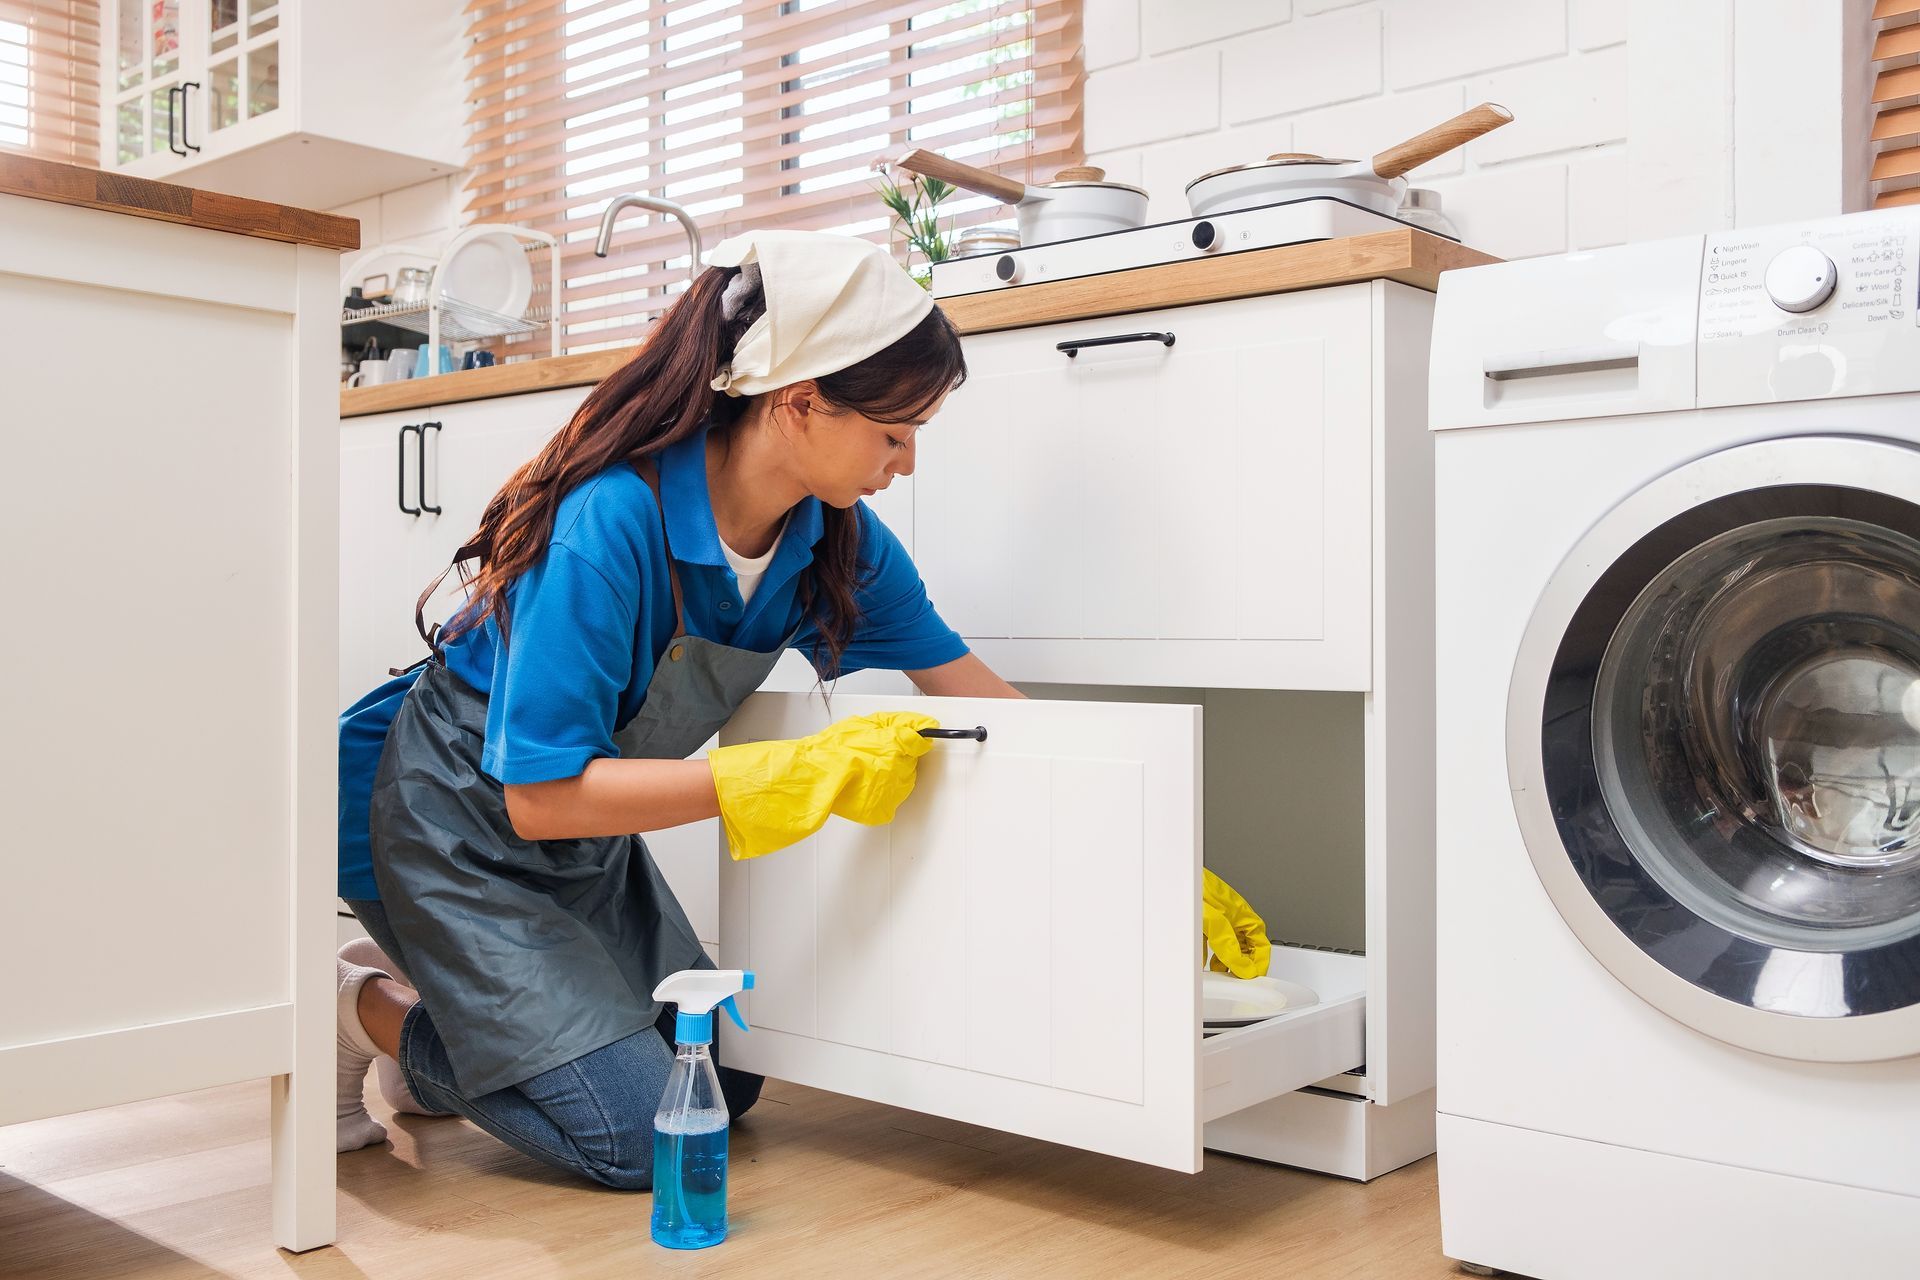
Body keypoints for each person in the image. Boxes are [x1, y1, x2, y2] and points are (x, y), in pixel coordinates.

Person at [332, 229, 1022, 1188]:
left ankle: (470, 1031)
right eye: (893, 434)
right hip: (445, 816)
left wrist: (1138, 853)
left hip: (575, 835)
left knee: (723, 1084)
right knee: (639, 1142)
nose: (902, 465)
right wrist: (757, 781)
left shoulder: (835, 544)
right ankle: (357, 1003)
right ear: (802, 400)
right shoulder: (613, 518)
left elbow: (983, 697)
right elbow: (538, 797)